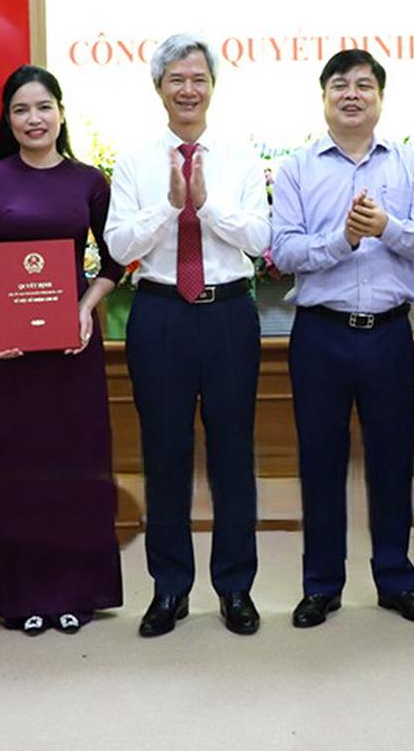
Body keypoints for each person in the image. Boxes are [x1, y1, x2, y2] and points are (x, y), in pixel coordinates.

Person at [105, 34, 271, 638]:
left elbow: (259, 239)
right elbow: (117, 244)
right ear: (158, 87)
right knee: (164, 453)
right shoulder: (135, 161)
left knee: (233, 455)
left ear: (212, 86)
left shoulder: (240, 157)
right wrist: (169, 208)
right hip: (160, 314)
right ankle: (169, 587)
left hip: (227, 314)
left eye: (198, 78)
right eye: (176, 78)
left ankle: (235, 587)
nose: (188, 89)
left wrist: (206, 204)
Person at [270, 50, 414, 627]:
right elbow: (283, 251)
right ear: (323, 98)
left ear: (380, 99)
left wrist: (385, 227)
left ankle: (396, 580)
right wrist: (341, 240)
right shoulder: (297, 169)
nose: (351, 95)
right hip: (321, 334)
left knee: (392, 460)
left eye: (364, 85)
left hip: (389, 334)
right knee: (320, 461)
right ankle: (321, 585)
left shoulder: (409, 164)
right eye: (339, 85)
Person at [0, 65, 124, 635]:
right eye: (21, 110)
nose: (34, 119)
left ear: (61, 113)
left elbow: (116, 260)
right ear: (8, 119)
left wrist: (84, 308)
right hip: (11, 352)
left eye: (43, 107)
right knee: (16, 469)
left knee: (73, 468)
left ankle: (76, 591)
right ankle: (20, 594)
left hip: (72, 348)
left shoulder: (88, 181)